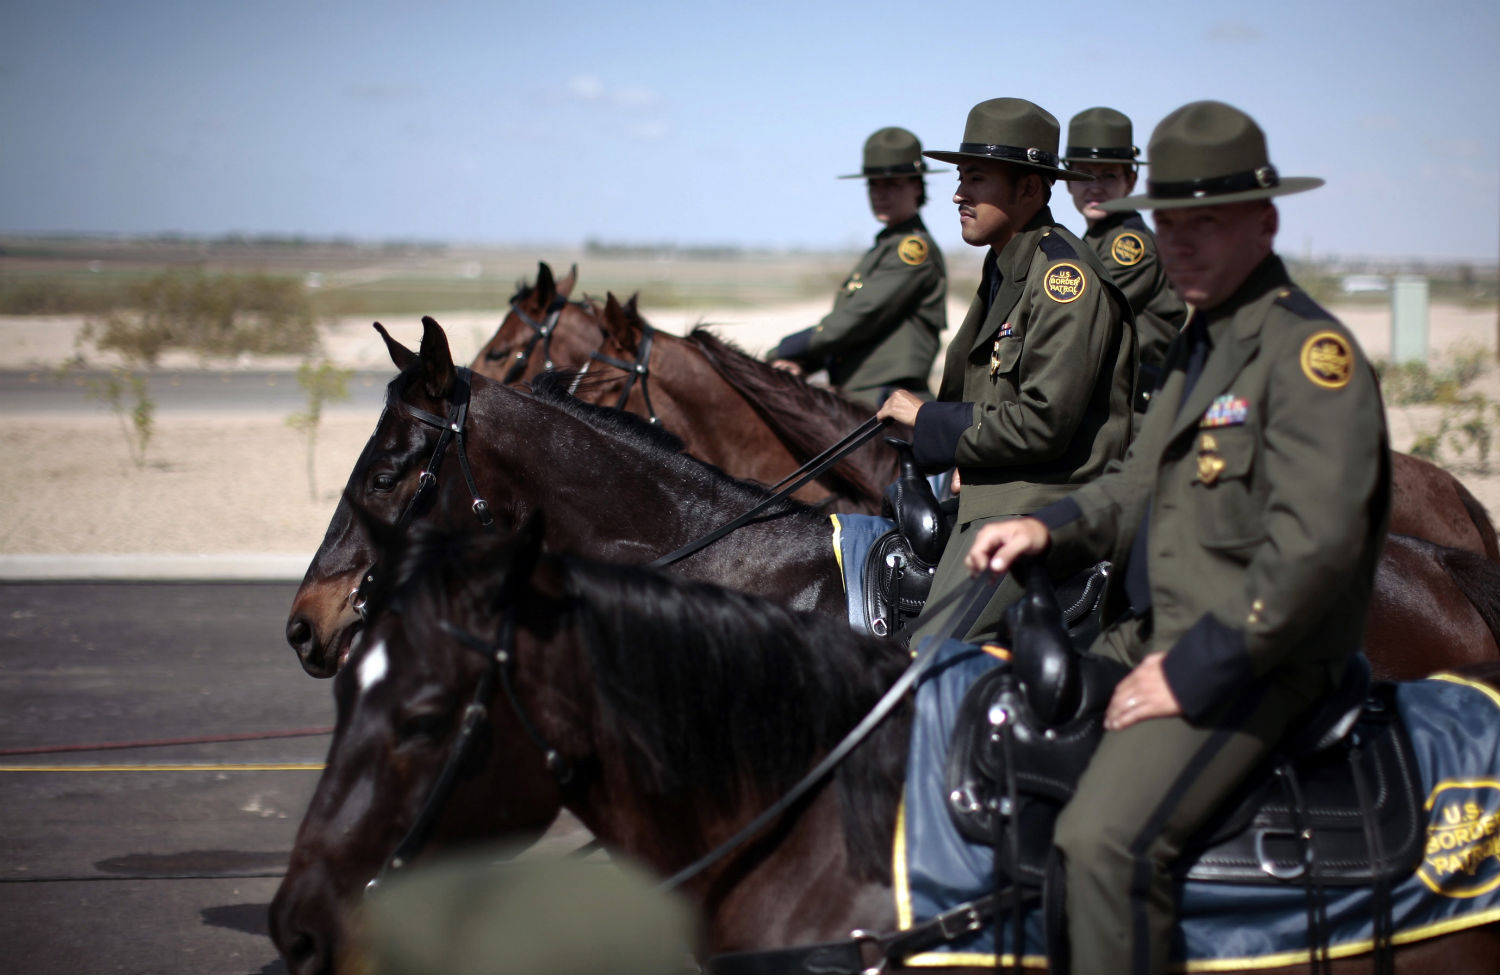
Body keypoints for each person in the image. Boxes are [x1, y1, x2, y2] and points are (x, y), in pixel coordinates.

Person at [963, 100, 1391, 974]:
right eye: (1167, 221)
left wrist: (1189, 669)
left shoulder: (1308, 354)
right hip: (1152, 627)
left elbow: (1316, 550)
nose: (1178, 242)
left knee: (1101, 842)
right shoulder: (1210, 336)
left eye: (1207, 222)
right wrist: (1040, 527)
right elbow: (1133, 483)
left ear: (1265, 221)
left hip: (1258, 659)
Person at [876, 97, 1135, 642]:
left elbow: (1043, 421)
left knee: (925, 661)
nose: (958, 194)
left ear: (1029, 189)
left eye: (977, 179)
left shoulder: (1063, 279)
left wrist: (928, 421)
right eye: (959, 177)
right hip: (997, 490)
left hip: (1044, 501)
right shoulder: (1007, 263)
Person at [768, 127, 947, 408]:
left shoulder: (912, 252)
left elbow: (858, 318)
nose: (880, 194)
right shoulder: (882, 248)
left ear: (917, 186)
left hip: (888, 399)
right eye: (873, 185)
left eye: (893, 185)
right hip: (857, 395)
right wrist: (803, 362)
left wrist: (781, 350)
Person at [1063, 107, 1187, 408]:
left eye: (1109, 176)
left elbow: (1089, 314)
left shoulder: (1128, 244)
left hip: (1133, 407)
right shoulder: (1097, 237)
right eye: (1085, 175)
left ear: (1130, 182)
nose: (1095, 187)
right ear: (1067, 181)